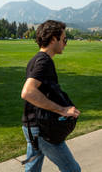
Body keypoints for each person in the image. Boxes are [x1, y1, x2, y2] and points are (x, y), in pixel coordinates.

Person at [21, 20, 81, 172]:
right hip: (42, 131)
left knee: (32, 169)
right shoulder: (43, 62)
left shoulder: (36, 59)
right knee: (72, 170)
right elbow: (28, 92)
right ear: (53, 39)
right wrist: (62, 110)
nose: (65, 43)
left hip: (32, 127)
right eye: (64, 39)